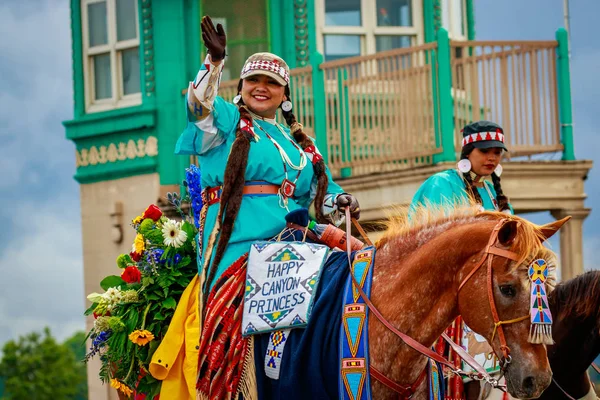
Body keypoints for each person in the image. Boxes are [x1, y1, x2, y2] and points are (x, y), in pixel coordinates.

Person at [171, 16, 360, 399]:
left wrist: (340, 200)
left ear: (284, 93)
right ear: (240, 87)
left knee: (354, 270)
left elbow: (318, 190)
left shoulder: (299, 144)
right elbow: (197, 107)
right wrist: (213, 61)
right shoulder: (226, 120)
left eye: (272, 82)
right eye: (253, 80)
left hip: (292, 242)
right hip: (239, 245)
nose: (262, 87)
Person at [409, 120, 513, 400]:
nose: (492, 158)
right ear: (468, 152)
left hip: (485, 292)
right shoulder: (441, 184)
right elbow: (436, 247)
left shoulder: (493, 193)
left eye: (497, 152)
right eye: (484, 151)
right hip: (447, 293)